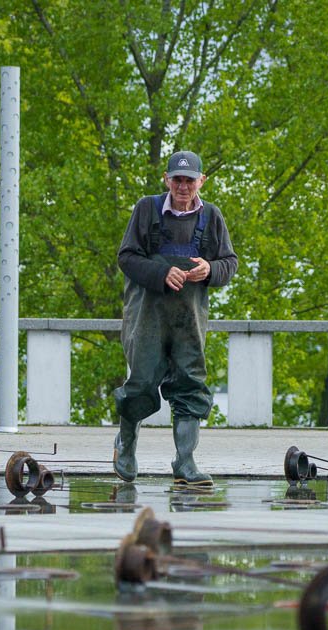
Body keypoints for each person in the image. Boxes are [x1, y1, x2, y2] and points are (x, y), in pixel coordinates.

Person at [114, 150, 238, 486]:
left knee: (189, 385)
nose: (183, 187)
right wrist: (161, 272)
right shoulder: (147, 209)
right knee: (139, 384)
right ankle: (125, 446)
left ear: (201, 181)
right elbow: (126, 257)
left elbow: (230, 263)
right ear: (166, 179)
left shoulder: (211, 217)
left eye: (190, 180)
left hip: (189, 321)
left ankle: (185, 461)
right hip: (147, 318)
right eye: (177, 179)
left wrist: (210, 269)